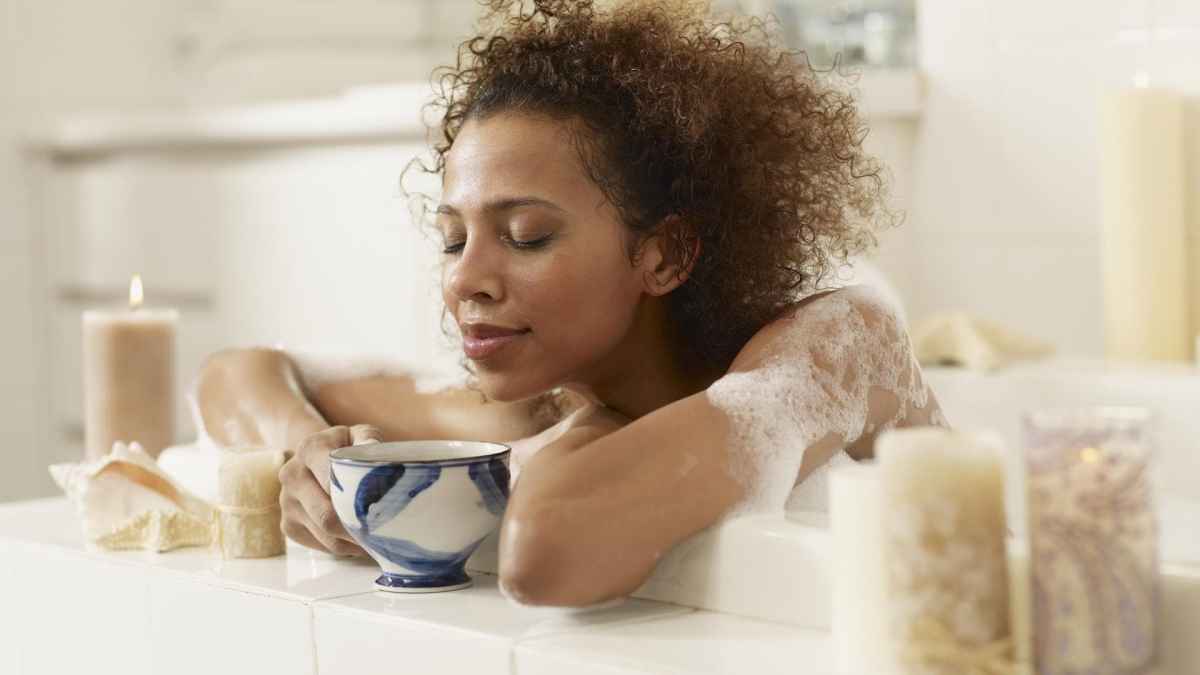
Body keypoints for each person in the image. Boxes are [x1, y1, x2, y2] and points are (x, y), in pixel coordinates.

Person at [193, 0, 946, 608]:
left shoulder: (836, 345)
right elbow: (236, 374)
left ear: (666, 253)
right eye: (455, 239)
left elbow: (543, 552)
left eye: (525, 236)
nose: (464, 281)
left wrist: (591, 427)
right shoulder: (538, 405)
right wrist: (309, 455)